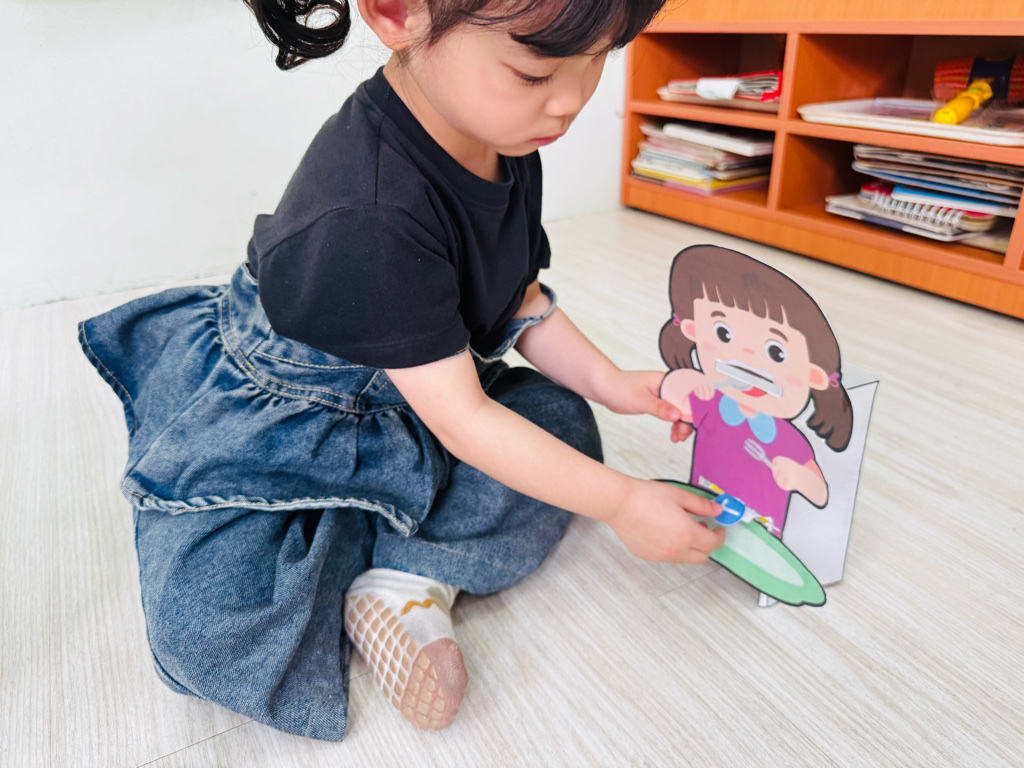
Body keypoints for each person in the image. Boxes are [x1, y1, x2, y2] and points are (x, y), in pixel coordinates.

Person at [77, 0, 725, 742]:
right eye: (536, 71)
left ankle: (404, 580)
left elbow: (519, 298)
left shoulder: (503, 135)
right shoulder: (371, 209)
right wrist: (622, 503)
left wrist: (610, 382)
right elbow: (467, 420)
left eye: (599, 58)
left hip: (421, 395)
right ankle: (354, 525)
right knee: (209, 630)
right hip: (299, 411)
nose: (572, 101)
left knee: (564, 424)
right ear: (397, 12)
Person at [659, 245, 854, 537]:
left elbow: (820, 492)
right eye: (723, 333)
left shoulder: (789, 439)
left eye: (776, 353)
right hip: (706, 512)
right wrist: (689, 385)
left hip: (762, 536)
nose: (747, 358)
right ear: (693, 330)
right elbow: (671, 392)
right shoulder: (711, 399)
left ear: (813, 375)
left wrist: (799, 477)